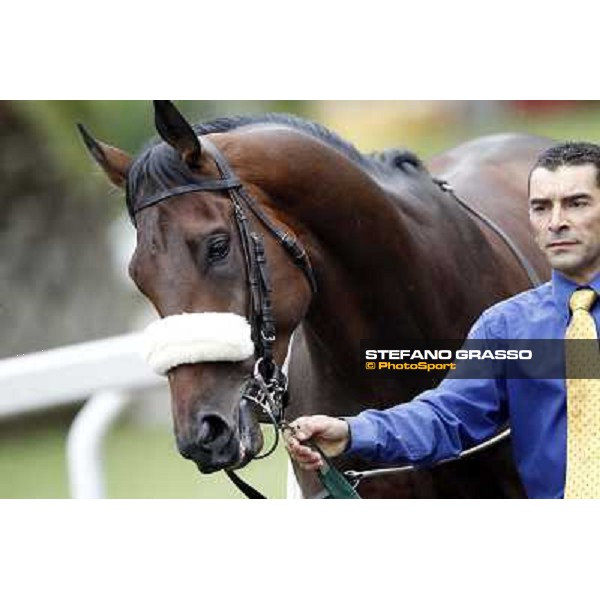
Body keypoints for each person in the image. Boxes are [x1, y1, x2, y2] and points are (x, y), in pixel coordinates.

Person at [285, 141, 600, 499]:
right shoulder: (506, 328)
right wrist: (353, 432)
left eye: (576, 204)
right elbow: (447, 416)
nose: (556, 222)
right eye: (542, 208)